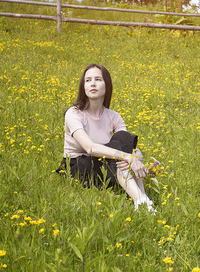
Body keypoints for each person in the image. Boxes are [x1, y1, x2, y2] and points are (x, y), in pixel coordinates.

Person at [56, 64, 154, 212]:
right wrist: (128, 157)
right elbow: (90, 148)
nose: (92, 83)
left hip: (102, 166)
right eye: (88, 80)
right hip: (79, 167)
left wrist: (136, 157)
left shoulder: (113, 116)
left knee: (123, 143)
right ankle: (143, 202)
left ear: (107, 85)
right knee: (122, 155)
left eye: (98, 79)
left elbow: (127, 146)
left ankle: (143, 201)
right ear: (83, 86)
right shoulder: (74, 113)